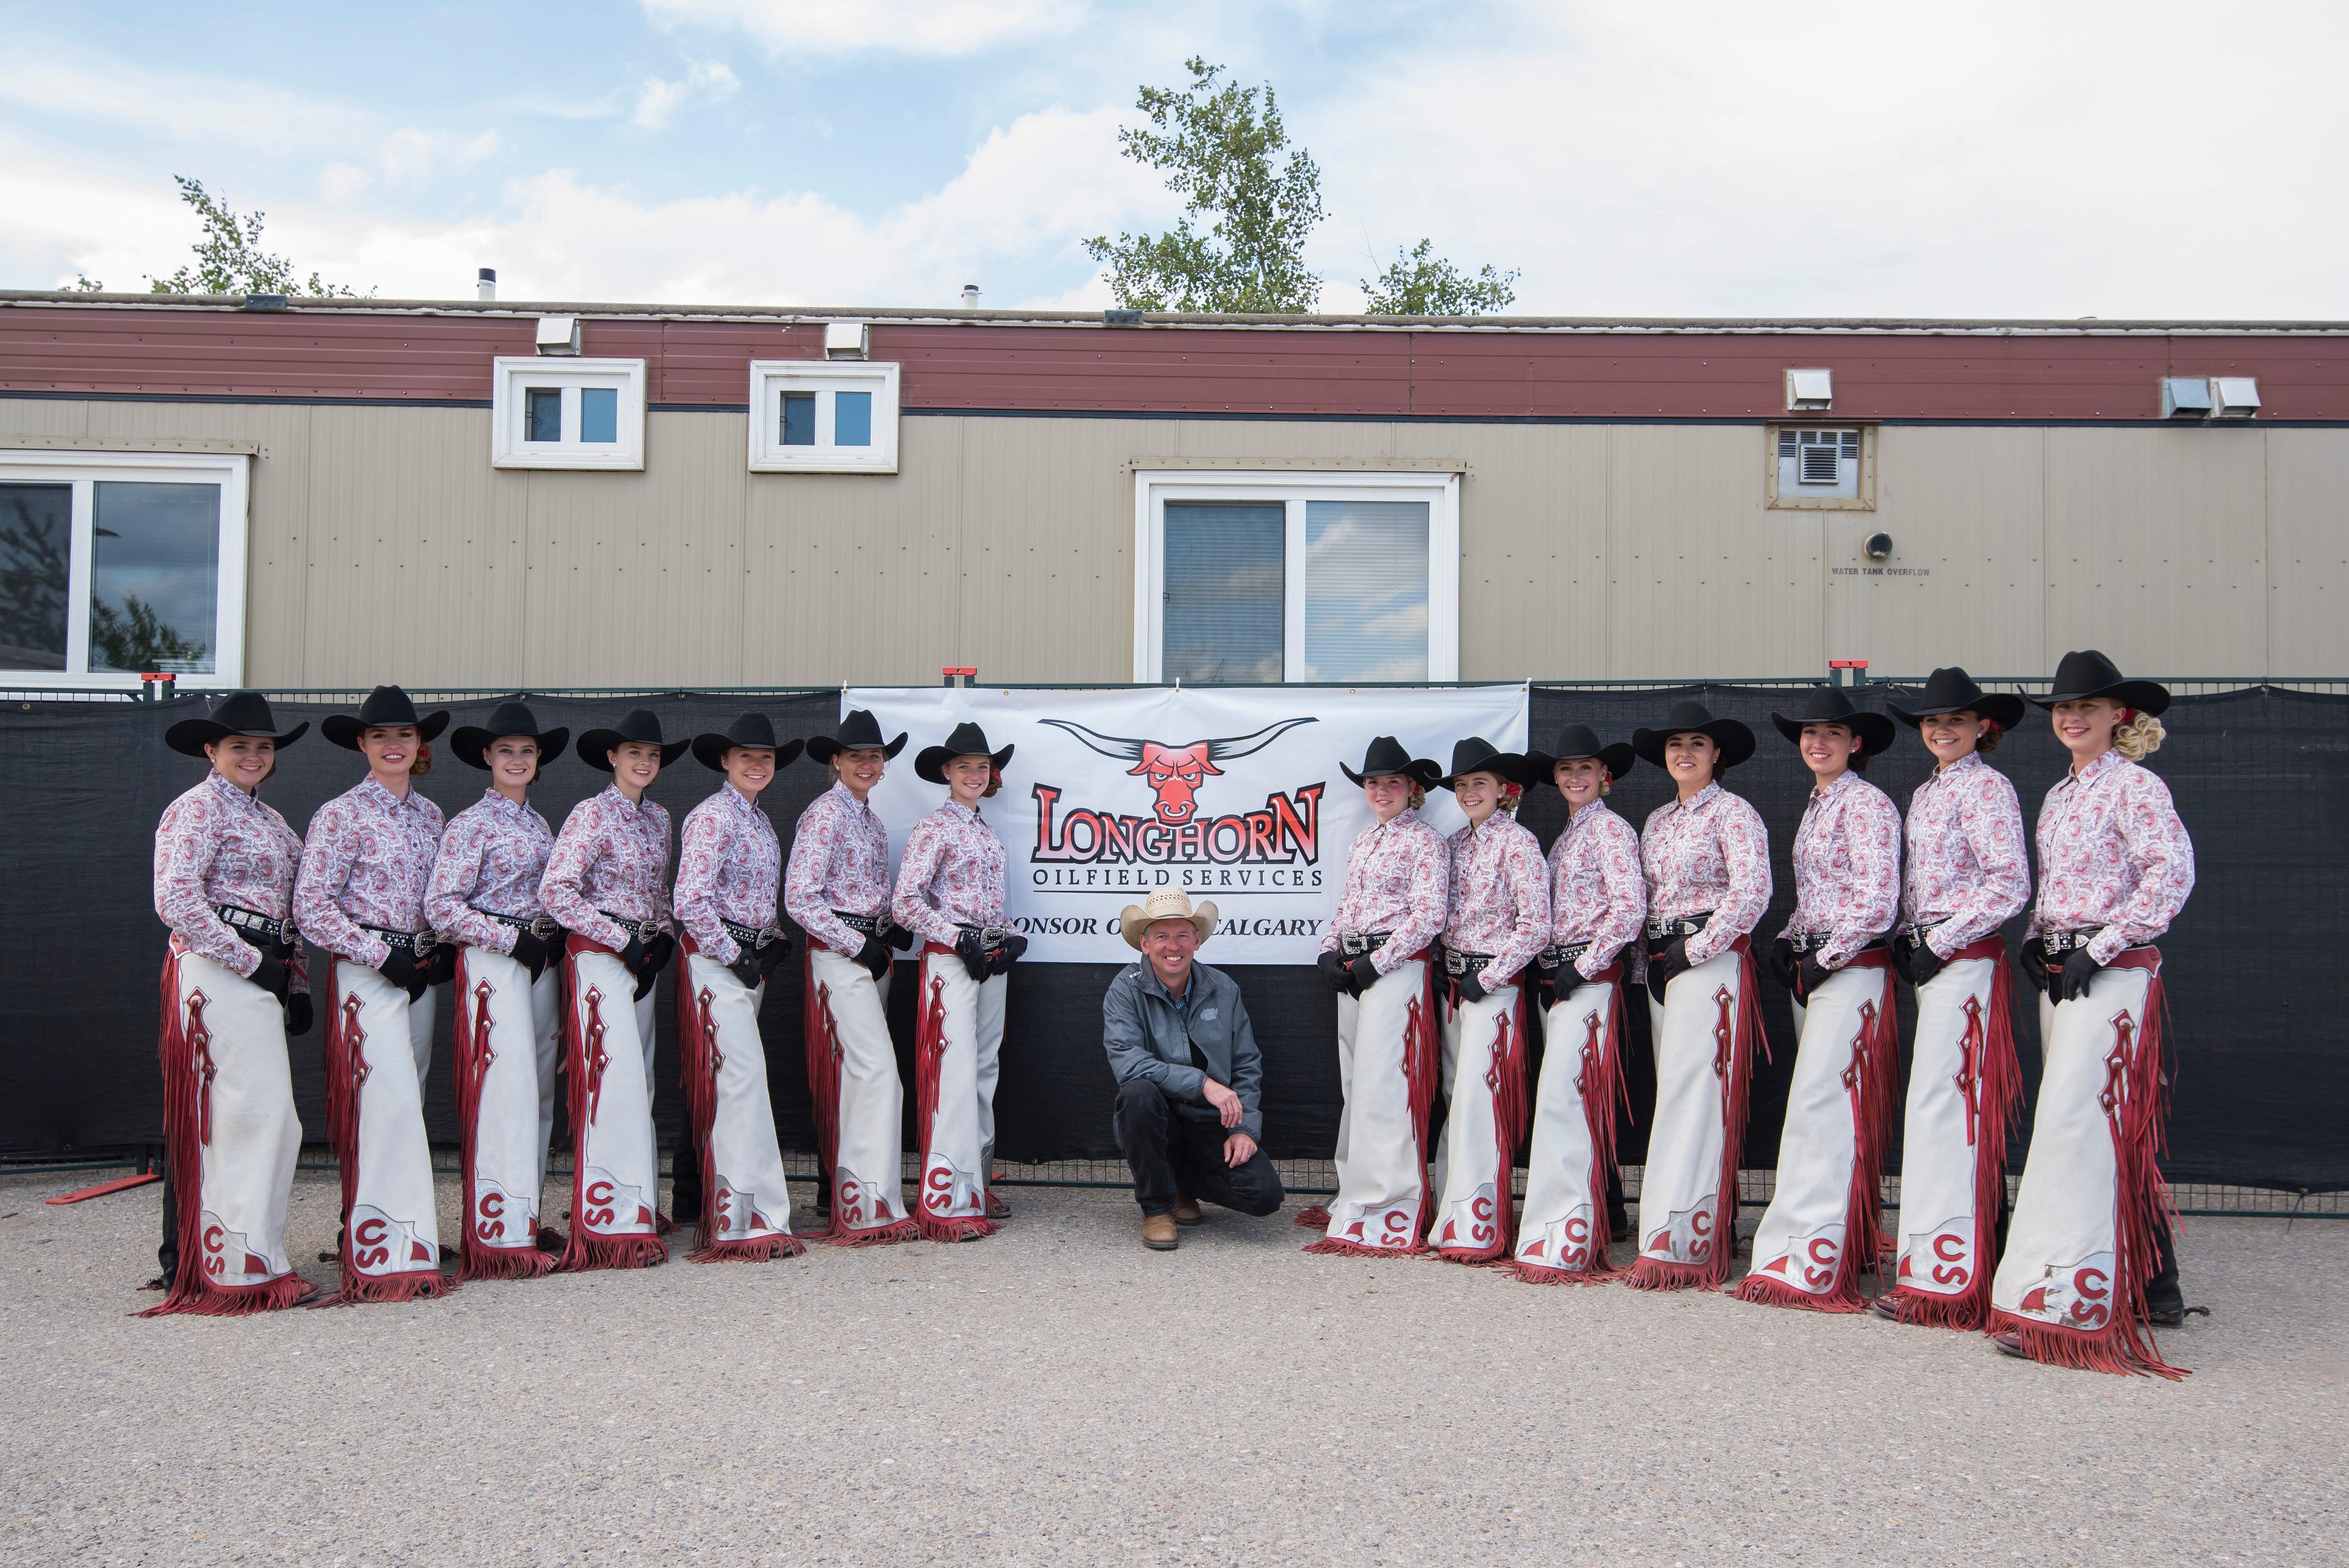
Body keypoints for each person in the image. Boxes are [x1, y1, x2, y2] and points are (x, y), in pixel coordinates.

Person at [1991, 651, 2198, 1376]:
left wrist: (2104, 946)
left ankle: (2070, 1305)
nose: (2072, 717)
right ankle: (2153, 1282)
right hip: (2065, 970)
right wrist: (2036, 941)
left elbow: (2170, 876)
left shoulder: (2136, 786)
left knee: (2079, 1127)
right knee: (2102, 1126)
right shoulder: (2059, 794)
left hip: (2110, 974)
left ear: (2121, 716)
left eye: (2089, 706)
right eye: (2061, 708)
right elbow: (2060, 885)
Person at [143, 692, 319, 1315]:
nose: (252, 756)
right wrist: (253, 963)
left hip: (260, 974)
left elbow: (293, 915)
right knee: (235, 1113)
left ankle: (248, 1252)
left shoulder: (276, 825)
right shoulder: (193, 810)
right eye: (239, 746)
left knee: (268, 1116)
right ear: (211, 751)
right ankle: (210, 1262)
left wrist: (294, 984)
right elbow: (178, 901)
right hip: (218, 970)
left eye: (262, 747)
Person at [1736, 686, 1902, 1312]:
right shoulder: (1820, 804)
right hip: (1819, 964)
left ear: (1856, 743)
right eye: (1809, 733)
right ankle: (1842, 1241)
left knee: (1822, 1104)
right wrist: (1788, 938)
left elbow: (1877, 900)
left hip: (1849, 967)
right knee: (1829, 1104)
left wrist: (1824, 957)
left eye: (1832, 733)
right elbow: (1823, 894)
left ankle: (1808, 1255)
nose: (1818, 742)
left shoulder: (1866, 804)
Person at [1873, 668, 2030, 1329]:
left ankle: (1964, 1271)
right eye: (1933, 722)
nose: (1941, 729)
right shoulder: (1929, 792)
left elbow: (2009, 883)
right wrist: (1917, 938)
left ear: (1982, 728)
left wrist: (1945, 939)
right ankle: (1955, 1260)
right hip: (1937, 957)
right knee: (1941, 1110)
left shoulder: (1988, 789)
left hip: (1965, 961)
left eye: (1956, 721)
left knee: (1960, 1108)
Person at [293, 684, 458, 1303]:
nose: (394, 745)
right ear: (362, 744)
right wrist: (378, 953)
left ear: (420, 745)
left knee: (407, 1097)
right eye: (381, 735)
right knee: (378, 1097)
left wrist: (435, 947)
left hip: (416, 970)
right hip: (369, 969)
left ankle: (398, 1225)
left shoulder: (432, 815)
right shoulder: (340, 814)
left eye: (405, 735)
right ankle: (373, 1237)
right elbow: (312, 906)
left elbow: (438, 896)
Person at [1626, 700, 1771, 1291]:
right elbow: (1649, 903)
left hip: (1708, 960)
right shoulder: (1658, 819)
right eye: (1674, 745)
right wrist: (1649, 965)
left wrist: (1702, 946)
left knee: (1699, 1094)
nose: (1684, 753)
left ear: (1718, 756)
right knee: (1679, 1092)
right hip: (1666, 962)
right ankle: (1697, 1222)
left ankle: (1684, 1240)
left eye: (1697, 744)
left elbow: (1753, 891)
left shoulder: (1735, 813)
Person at [426, 699, 570, 1279]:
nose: (517, 759)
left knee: (536, 1093)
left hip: (540, 962)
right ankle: (494, 1229)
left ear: (538, 761)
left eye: (527, 751)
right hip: (496, 961)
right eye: (506, 750)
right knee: (503, 1091)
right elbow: (441, 908)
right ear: (487, 757)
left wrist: (548, 945)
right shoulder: (469, 824)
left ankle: (523, 1215)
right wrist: (510, 939)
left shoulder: (540, 823)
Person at [539, 707, 687, 1271]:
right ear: (612, 758)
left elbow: (659, 891)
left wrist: (663, 937)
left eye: (651, 755)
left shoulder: (661, 820)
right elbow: (558, 890)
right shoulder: (590, 814)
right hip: (599, 959)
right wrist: (616, 936)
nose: (644, 763)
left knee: (640, 1080)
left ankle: (637, 1203)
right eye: (634, 754)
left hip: (639, 959)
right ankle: (608, 1221)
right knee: (612, 1079)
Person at [1303, 736, 1448, 1257]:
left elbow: (1429, 918)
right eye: (1373, 782)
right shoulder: (1365, 840)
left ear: (1413, 790)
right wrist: (1330, 951)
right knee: (1355, 1083)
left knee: (1385, 1086)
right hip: (1358, 969)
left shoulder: (1426, 841)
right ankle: (1356, 1194)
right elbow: (1348, 907)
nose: (1381, 790)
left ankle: (1392, 1205)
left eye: (1392, 782)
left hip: (1395, 969)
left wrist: (1374, 964)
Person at [1511, 725, 1645, 1284]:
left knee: (1574, 1092)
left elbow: (1630, 907)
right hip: (1562, 975)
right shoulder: (1567, 836)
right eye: (1566, 771)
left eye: (1585, 770)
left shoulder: (1610, 831)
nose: (1574, 778)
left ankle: (1578, 1220)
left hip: (1587, 976)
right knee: (1577, 1093)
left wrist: (1585, 966)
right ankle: (1606, 1212)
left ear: (1604, 777)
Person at [672, 711, 805, 1261]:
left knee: (734, 1084)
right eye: (746, 755)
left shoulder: (759, 821)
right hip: (715, 963)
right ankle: (744, 1220)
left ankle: (724, 1205)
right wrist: (734, 954)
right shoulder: (712, 818)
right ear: (724, 762)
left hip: (746, 963)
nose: (757, 764)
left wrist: (768, 940)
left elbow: (748, 899)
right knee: (741, 1083)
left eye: (766, 757)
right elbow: (690, 902)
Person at [787, 708, 920, 1245]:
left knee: (857, 1079)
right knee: (877, 1073)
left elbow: (863, 892)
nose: (867, 763)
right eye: (857, 755)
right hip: (841, 957)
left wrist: (890, 926)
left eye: (875, 755)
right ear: (836, 761)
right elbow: (801, 898)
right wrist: (856, 942)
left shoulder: (868, 817)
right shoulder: (825, 814)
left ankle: (852, 1195)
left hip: (869, 952)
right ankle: (869, 1205)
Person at [893, 721, 1027, 1241]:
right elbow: (905, 903)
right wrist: (957, 938)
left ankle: (975, 1178)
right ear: (947, 772)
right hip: (952, 958)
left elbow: (990, 905)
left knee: (985, 1065)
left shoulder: (984, 829)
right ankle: (947, 1194)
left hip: (987, 955)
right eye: (964, 765)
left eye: (982, 766)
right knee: (953, 1068)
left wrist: (1009, 936)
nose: (975, 774)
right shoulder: (935, 827)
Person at [1102, 888, 1284, 1250]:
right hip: (1158, 1117)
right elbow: (1129, 1062)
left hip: (1210, 1121)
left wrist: (1245, 1129)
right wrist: (1203, 1084)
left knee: (1264, 1195)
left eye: (1182, 935)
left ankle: (1181, 1184)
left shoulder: (1225, 989)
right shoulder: (1124, 990)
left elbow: (1247, 1062)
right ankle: (1157, 1209)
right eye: (1162, 936)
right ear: (1145, 943)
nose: (1174, 946)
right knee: (1137, 1094)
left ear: (1197, 940)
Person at [1427, 738, 1550, 1264]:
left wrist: (1493, 975)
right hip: (1453, 983)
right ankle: (1451, 1212)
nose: (1469, 791)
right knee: (1457, 1096)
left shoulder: (1519, 843)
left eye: (1480, 783)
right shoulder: (1453, 844)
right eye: (1462, 784)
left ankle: (1481, 1221)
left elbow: (1536, 925)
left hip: (1492, 987)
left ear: (1505, 790)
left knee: (1481, 1097)